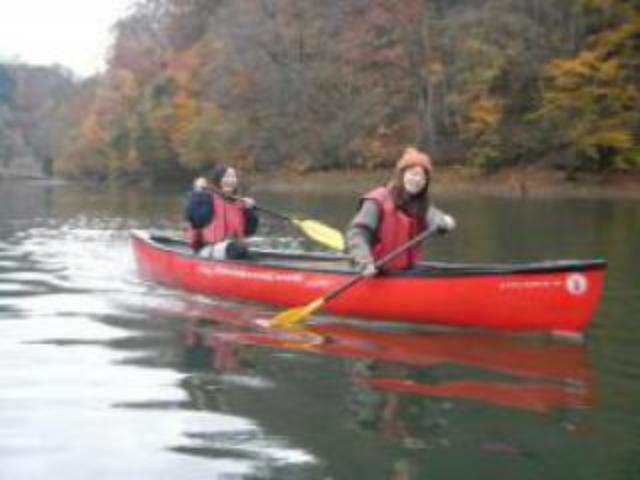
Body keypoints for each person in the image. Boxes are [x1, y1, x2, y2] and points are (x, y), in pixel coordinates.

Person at [347, 146, 455, 276]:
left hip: (406, 271)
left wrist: (442, 221)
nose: (417, 180)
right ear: (401, 175)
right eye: (413, 174)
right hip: (375, 271)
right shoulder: (377, 200)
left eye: (422, 177)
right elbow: (357, 233)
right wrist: (364, 262)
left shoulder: (420, 204)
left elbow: (433, 216)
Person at [184, 166, 259, 258]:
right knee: (237, 250)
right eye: (226, 177)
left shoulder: (240, 203)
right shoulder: (206, 198)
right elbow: (196, 220)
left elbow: (249, 231)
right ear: (218, 180)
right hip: (207, 248)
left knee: (243, 252)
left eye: (233, 177)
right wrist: (198, 192)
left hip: (233, 249)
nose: (230, 180)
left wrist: (250, 211)